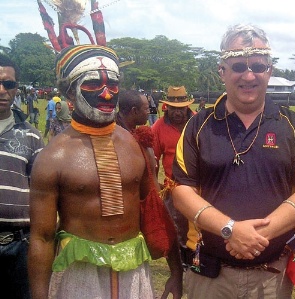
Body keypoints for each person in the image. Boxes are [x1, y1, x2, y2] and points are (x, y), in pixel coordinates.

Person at [171, 24, 295, 298]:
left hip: (271, 278)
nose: (249, 75)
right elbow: (181, 191)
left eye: (258, 66)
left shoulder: (293, 125)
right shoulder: (198, 125)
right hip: (210, 276)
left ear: (270, 71)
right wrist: (230, 230)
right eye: (239, 66)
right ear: (222, 72)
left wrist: (256, 236)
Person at [28, 45, 181, 299]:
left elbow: (155, 211)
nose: (107, 94)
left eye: (112, 83)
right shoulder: (53, 157)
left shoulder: (133, 145)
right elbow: (42, 238)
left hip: (134, 273)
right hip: (80, 275)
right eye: (93, 85)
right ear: (69, 91)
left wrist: (176, 273)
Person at [116, 89, 183, 295]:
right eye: (147, 108)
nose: (150, 111)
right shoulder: (132, 139)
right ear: (134, 110)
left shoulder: (140, 138)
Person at [0, 53, 44, 299]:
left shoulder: (32, 136)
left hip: (21, 246)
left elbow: (41, 194)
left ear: (16, 88)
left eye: (9, 83)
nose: (2, 90)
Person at [152, 86, 195, 248]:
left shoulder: (197, 122)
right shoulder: (158, 127)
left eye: (181, 109)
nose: (177, 112)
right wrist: (154, 186)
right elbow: (153, 160)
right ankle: (181, 264)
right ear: (166, 107)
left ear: (187, 107)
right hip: (173, 188)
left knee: (200, 227)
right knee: (175, 229)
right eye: (173, 109)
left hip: (200, 187)